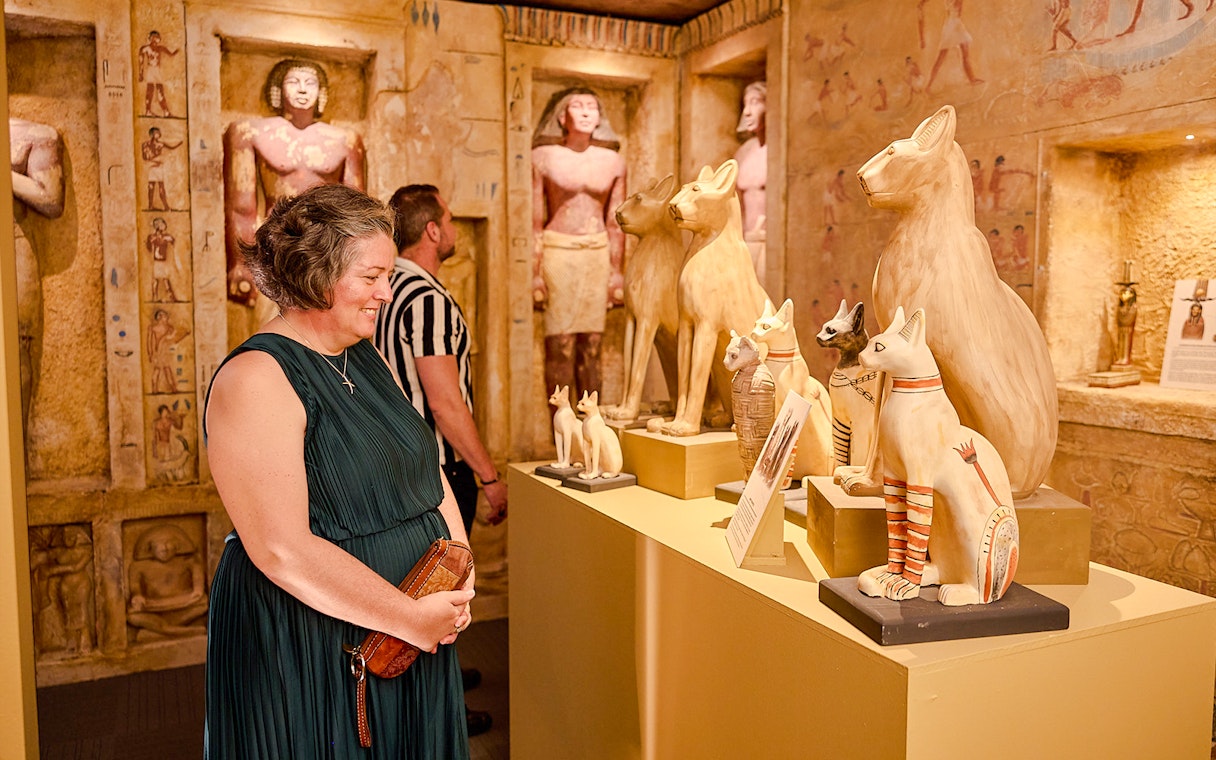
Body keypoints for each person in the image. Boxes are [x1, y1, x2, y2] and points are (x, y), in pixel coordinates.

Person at [204, 183, 474, 758]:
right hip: (318, 639)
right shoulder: (256, 377)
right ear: (317, 274)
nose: (387, 291)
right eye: (372, 276)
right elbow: (281, 549)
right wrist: (408, 617)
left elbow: (424, 468)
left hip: (409, 626)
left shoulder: (363, 353)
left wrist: (459, 570)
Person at [376, 184, 507, 737]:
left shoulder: (386, 289)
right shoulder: (427, 298)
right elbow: (444, 399)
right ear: (432, 230)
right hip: (437, 464)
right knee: (445, 589)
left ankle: (445, 680)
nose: (452, 229)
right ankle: (443, 710)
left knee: (423, 583)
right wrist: (488, 474)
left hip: (396, 459)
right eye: (448, 219)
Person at [224, 58, 366, 311]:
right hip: (276, 246)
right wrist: (241, 263)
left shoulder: (344, 140)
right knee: (275, 328)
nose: (302, 89)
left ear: (321, 93)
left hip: (327, 247)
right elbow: (241, 207)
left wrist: (358, 264)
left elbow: (355, 208)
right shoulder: (250, 132)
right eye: (294, 81)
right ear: (277, 90)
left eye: (310, 83)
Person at [531, 87, 626, 404]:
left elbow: (616, 221)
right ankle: (560, 432)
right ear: (562, 116)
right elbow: (533, 219)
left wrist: (616, 272)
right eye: (577, 106)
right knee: (560, 344)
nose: (586, 112)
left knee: (592, 345)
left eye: (592, 107)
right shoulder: (543, 157)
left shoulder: (613, 161)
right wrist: (535, 272)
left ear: (600, 117)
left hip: (596, 253)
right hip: (559, 251)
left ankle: (590, 429)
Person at [9, 117, 65, 438]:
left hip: (15, 246)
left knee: (18, 352)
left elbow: (50, 198)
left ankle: (18, 461)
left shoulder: (36, 134)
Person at [734, 82, 767, 282]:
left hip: (768, 243)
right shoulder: (743, 153)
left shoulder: (779, 151)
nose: (747, 111)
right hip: (745, 242)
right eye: (745, 104)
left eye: (755, 103)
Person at [137, 30, 178, 117]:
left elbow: (171, 54)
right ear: (150, 38)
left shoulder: (160, 48)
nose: (155, 40)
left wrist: (177, 50)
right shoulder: (145, 48)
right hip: (151, 70)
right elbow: (141, 61)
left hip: (157, 71)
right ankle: (148, 111)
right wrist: (140, 73)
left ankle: (166, 112)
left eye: (157, 38)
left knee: (160, 91)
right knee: (150, 91)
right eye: (153, 38)